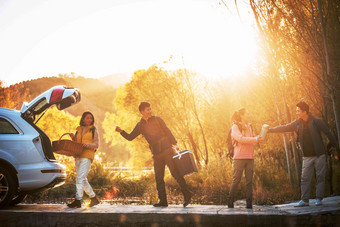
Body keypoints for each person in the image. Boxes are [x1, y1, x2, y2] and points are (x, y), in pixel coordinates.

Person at [115, 102, 192, 207]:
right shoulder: (140, 125)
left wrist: (175, 144)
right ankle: (163, 201)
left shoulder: (157, 119)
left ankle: (187, 194)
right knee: (158, 178)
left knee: (175, 173)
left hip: (167, 150)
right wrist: (121, 131)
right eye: (147, 109)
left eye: (150, 109)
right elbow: (130, 137)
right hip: (156, 155)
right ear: (142, 112)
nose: (150, 111)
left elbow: (167, 131)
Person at [267, 101, 339, 207]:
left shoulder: (316, 121)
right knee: (305, 178)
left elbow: (328, 133)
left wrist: (336, 148)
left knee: (320, 177)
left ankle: (319, 199)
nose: (296, 112)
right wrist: (269, 130)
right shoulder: (297, 123)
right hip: (307, 157)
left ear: (304, 111)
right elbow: (284, 127)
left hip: (319, 155)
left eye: (298, 111)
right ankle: (304, 200)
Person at [228, 108, 262, 209]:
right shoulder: (235, 127)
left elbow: (251, 138)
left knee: (249, 181)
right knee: (236, 180)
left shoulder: (250, 126)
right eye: (247, 114)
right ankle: (230, 201)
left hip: (250, 157)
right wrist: (255, 139)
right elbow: (241, 139)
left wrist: (259, 138)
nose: (249, 115)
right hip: (239, 158)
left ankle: (249, 204)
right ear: (242, 115)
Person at [67, 111, 100, 208]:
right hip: (77, 156)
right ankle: (93, 198)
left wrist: (89, 144)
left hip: (87, 156)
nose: (89, 120)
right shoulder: (78, 130)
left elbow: (96, 144)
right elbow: (76, 144)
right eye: (87, 118)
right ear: (83, 119)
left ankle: (78, 200)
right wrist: (73, 138)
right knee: (83, 179)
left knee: (80, 178)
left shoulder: (94, 130)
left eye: (91, 118)